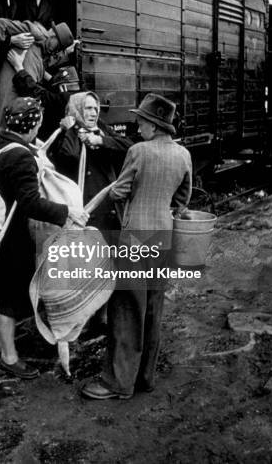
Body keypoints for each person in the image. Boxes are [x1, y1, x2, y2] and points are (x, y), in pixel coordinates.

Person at [82, 93, 192, 399]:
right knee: (154, 307)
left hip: (134, 240)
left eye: (141, 120)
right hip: (163, 237)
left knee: (127, 308)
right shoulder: (184, 155)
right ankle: (145, 378)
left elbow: (120, 192)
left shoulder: (138, 151)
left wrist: (121, 192)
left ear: (154, 126)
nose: (137, 124)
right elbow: (183, 201)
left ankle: (118, 383)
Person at [0, 96, 89, 379]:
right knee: (9, 298)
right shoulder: (21, 156)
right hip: (11, 238)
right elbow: (31, 202)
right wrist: (67, 212)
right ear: (32, 126)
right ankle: (9, 358)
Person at [49, 92, 133, 233]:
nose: (94, 113)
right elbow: (70, 155)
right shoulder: (66, 133)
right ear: (77, 109)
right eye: (88, 108)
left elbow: (129, 146)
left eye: (96, 108)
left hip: (107, 204)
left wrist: (100, 140)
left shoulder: (101, 129)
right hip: (86, 207)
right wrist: (72, 129)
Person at [0, 19, 76, 124]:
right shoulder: (32, 30)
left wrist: (66, 53)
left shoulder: (43, 50)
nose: (56, 51)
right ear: (53, 35)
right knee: (7, 122)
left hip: (24, 94)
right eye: (58, 46)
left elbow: (46, 62)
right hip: (13, 89)